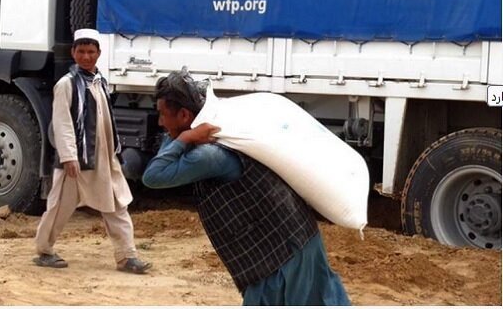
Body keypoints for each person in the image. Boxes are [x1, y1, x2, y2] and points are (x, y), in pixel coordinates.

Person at [142, 69, 350, 305]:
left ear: (183, 115)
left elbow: (153, 176)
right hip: (294, 241)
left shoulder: (207, 155)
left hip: (281, 257)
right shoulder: (219, 137)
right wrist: (184, 134)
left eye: (163, 114)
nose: (159, 122)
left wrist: (185, 138)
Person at [34, 28, 150, 274]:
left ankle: (127, 256)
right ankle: (44, 250)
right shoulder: (66, 84)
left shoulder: (100, 82)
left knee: (116, 204)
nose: (86, 56)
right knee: (59, 207)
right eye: (81, 51)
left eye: (91, 51)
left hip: (104, 158)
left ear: (99, 53)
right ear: (73, 53)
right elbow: (63, 122)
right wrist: (69, 157)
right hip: (77, 160)